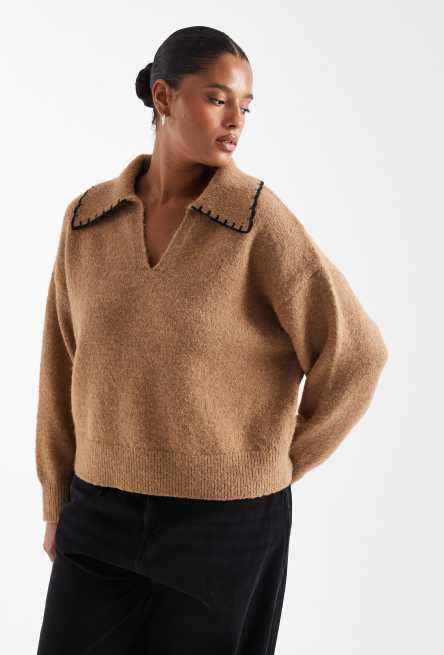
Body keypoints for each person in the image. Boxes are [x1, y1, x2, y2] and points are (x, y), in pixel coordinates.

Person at [35, 25, 388, 655]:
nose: (235, 121)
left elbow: (358, 354)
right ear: (164, 97)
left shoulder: (255, 219)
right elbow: (60, 365)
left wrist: (275, 462)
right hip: (98, 515)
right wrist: (56, 499)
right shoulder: (88, 220)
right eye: (218, 99)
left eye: (245, 107)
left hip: (224, 526)